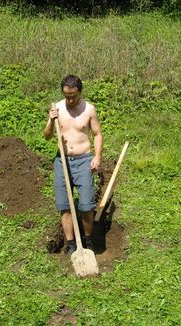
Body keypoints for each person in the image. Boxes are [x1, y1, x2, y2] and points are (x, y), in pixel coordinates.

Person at [43, 75, 103, 255]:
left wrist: (97, 157)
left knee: (85, 206)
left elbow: (97, 134)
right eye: (66, 96)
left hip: (84, 160)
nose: (70, 100)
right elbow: (46, 136)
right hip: (62, 161)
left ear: (80, 92)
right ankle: (70, 244)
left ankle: (89, 241)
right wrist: (50, 120)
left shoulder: (89, 110)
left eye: (73, 96)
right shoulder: (57, 109)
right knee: (64, 206)